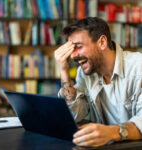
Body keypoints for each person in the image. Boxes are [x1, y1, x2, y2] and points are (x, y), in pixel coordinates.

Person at [54, 17, 142, 147]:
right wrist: (63, 71)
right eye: (72, 49)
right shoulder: (84, 74)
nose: (73, 56)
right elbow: (75, 115)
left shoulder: (138, 67)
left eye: (78, 47)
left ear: (102, 42)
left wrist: (111, 132)